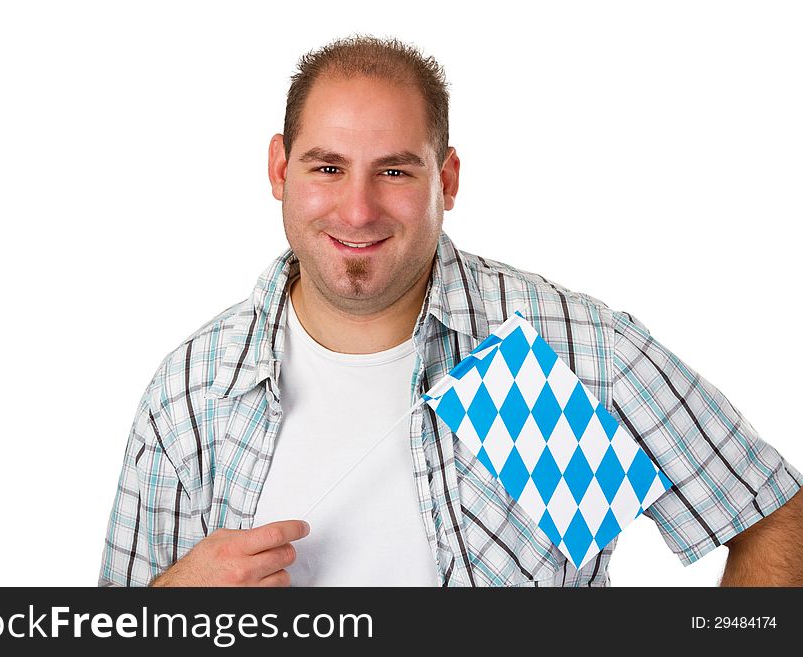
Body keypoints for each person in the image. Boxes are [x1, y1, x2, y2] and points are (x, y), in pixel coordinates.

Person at [98, 34, 803, 587]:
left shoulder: (561, 355)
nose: (359, 209)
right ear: (280, 170)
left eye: (396, 170)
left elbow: (773, 520)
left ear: (448, 178)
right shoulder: (194, 394)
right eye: (327, 166)